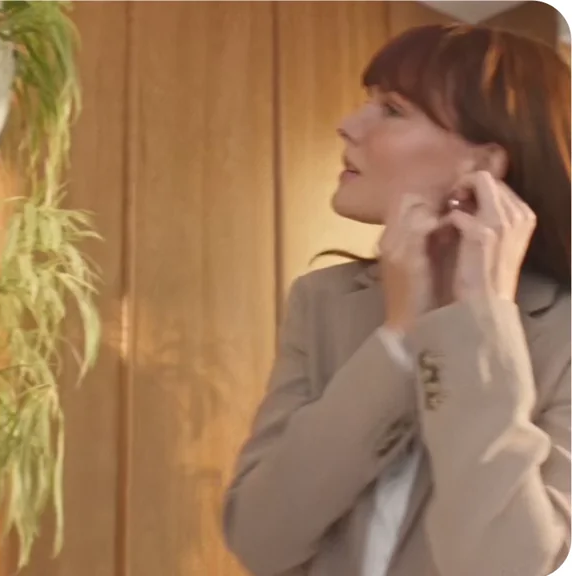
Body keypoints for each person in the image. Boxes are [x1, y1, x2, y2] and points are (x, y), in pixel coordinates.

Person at [223, 23, 570, 576]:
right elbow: (260, 536)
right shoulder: (323, 301)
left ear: (482, 166)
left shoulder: (562, 332)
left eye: (391, 109)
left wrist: (479, 325)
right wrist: (399, 335)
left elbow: (505, 562)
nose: (348, 125)